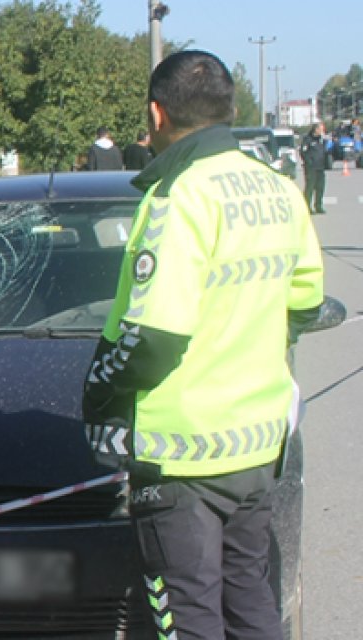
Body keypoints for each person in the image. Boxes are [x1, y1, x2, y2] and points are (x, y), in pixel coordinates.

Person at [81, 51, 323, 640]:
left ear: (156, 114)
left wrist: (98, 391)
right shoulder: (278, 190)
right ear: (233, 110)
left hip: (182, 457)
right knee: (251, 604)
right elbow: (306, 303)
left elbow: (152, 338)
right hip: (256, 446)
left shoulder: (176, 198)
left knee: (186, 621)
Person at [299, 122, 329, 214]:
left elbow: (325, 151)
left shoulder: (321, 140)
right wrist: (309, 162)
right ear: (316, 129)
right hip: (311, 168)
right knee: (310, 188)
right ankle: (307, 207)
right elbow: (303, 152)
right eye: (321, 129)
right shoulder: (308, 139)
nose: (322, 131)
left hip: (320, 167)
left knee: (320, 187)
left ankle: (318, 206)